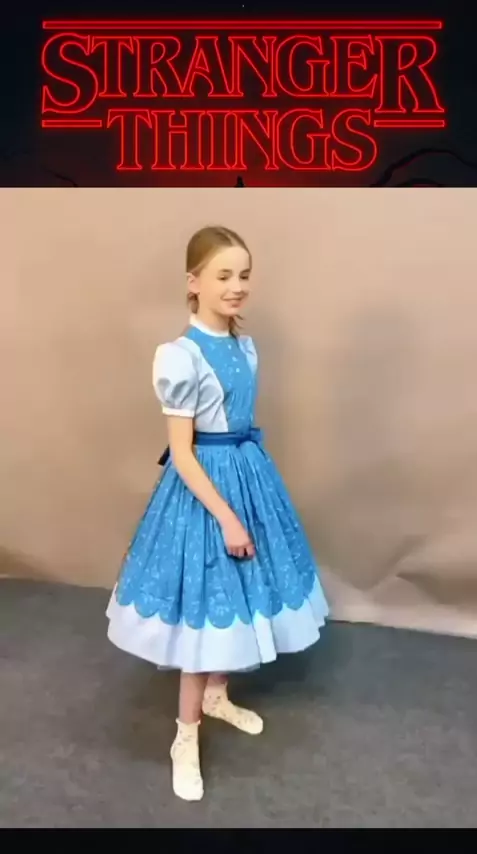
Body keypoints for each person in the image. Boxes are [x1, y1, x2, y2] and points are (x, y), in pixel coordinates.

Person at [106, 225, 329, 802]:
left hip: (249, 479)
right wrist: (227, 517)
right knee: (206, 609)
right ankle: (185, 736)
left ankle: (216, 694)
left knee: (246, 592)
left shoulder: (245, 347)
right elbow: (182, 453)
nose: (237, 286)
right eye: (223, 275)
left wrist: (248, 502)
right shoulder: (180, 356)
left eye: (244, 275)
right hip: (205, 493)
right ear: (194, 282)